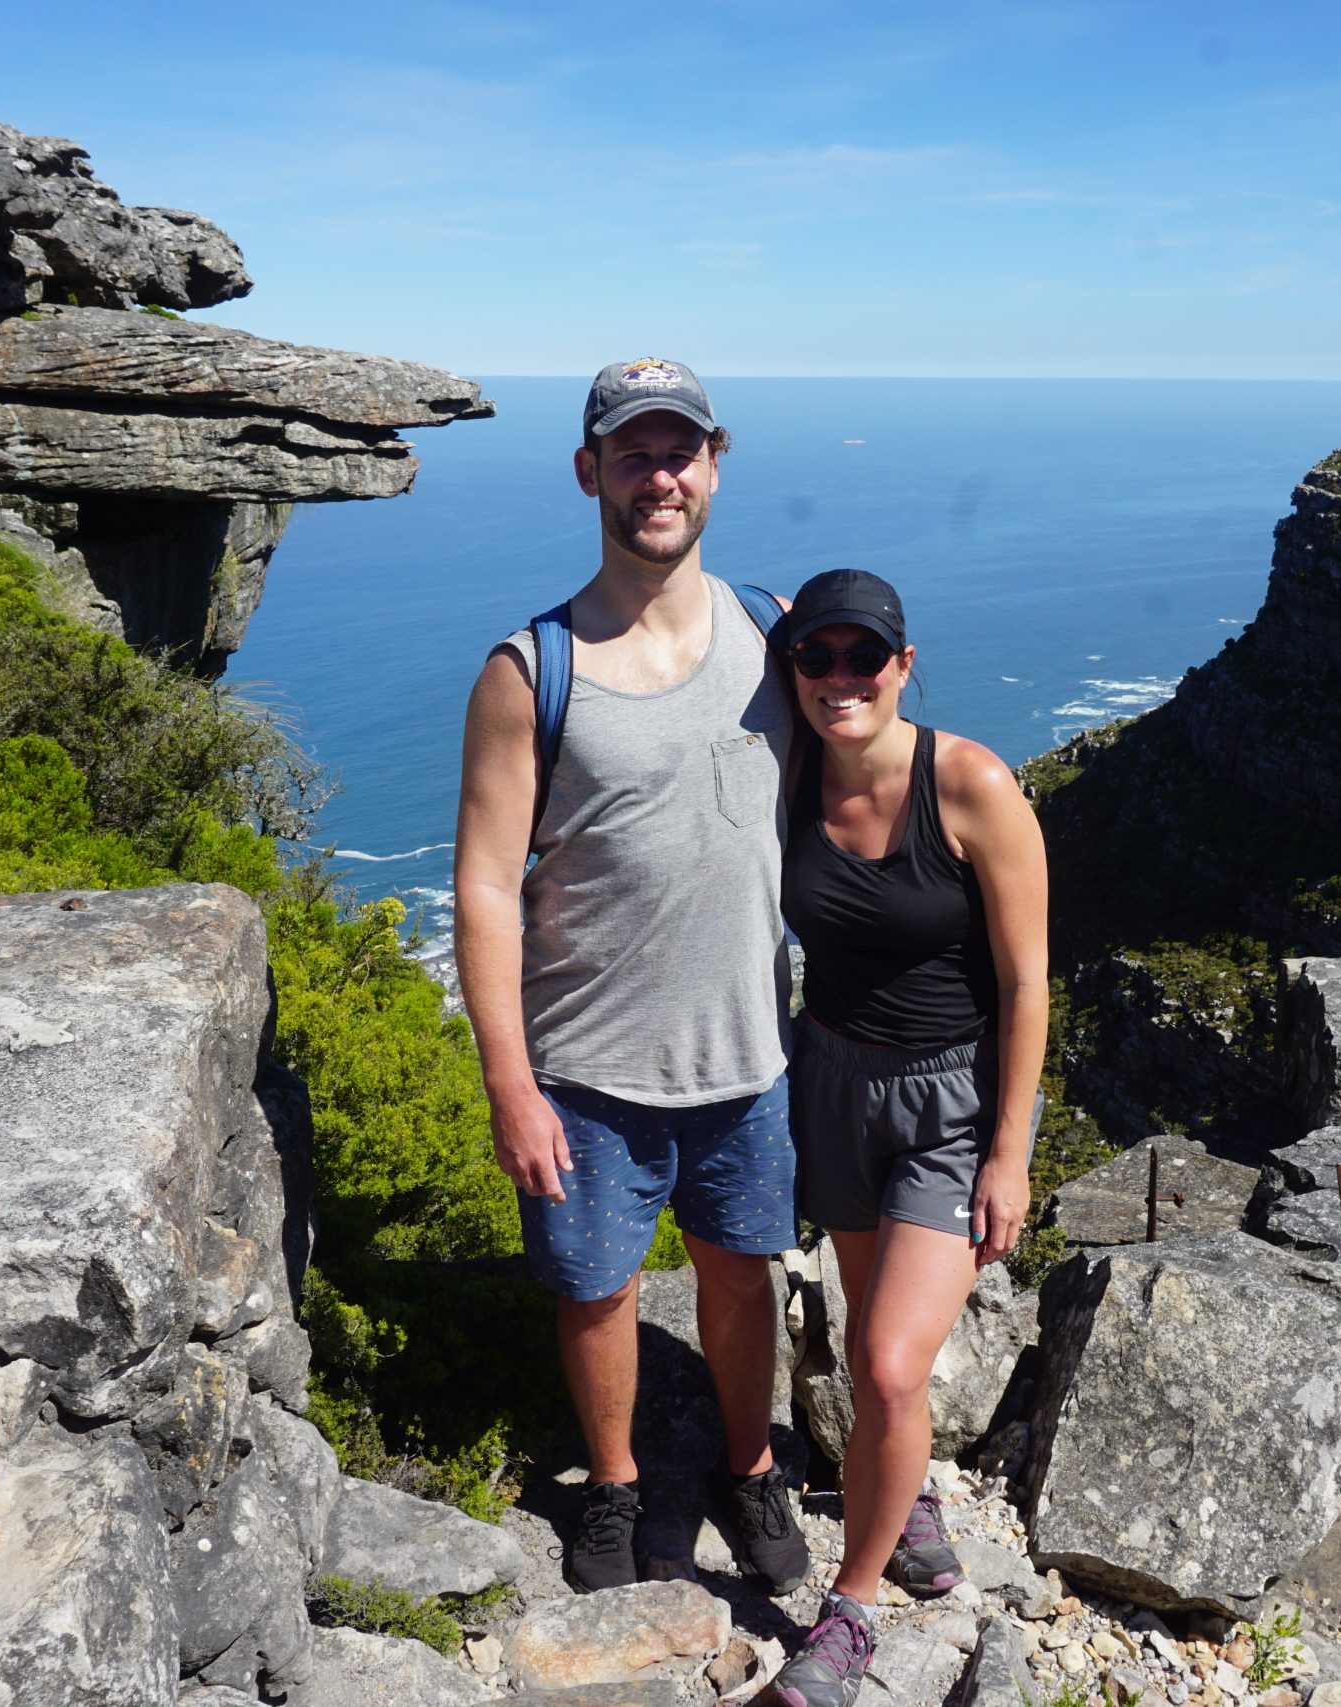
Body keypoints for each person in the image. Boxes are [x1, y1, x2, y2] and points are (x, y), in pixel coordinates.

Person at [452, 358, 808, 1595]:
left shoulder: (775, 633)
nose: (660, 476)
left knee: (737, 1268)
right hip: (588, 1067)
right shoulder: (527, 668)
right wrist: (511, 1085)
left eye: (681, 452)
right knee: (596, 1289)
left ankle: (747, 1463)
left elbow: (866, 783)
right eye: (634, 453)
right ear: (587, 471)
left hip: (746, 1050)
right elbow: (486, 886)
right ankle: (613, 1485)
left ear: (715, 464)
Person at [764, 569, 1049, 1707]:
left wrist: (1008, 1153)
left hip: (950, 1105)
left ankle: (853, 1614)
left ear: (904, 664)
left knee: (887, 1364)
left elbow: (1028, 982)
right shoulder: (785, 775)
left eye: (862, 656)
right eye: (815, 657)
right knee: (874, 1346)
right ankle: (911, 1496)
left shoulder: (969, 783)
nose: (840, 678)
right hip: (831, 1082)